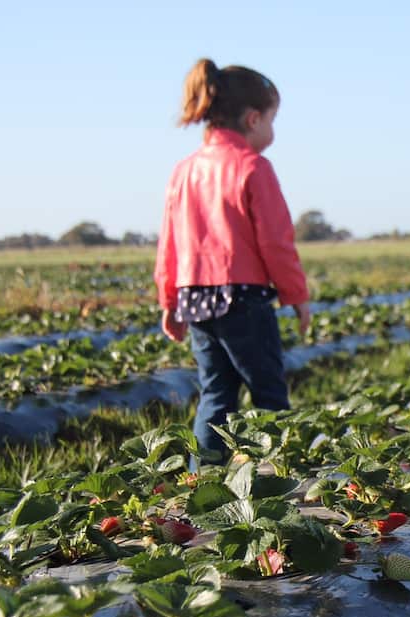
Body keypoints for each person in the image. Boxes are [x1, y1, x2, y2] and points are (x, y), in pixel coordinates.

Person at [155, 58, 312, 461]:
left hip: (195, 298)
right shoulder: (254, 167)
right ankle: (279, 480)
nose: (273, 131)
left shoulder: (184, 170)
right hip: (243, 298)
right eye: (274, 120)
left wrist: (169, 301)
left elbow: (169, 243)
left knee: (216, 393)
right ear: (254, 118)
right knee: (269, 393)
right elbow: (276, 243)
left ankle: (203, 479)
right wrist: (297, 296)